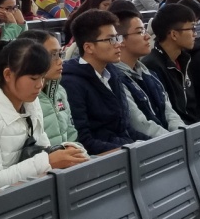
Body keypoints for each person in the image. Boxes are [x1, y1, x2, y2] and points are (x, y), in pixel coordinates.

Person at [0, 38, 87, 195]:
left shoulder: (30, 100)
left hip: (21, 187)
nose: (39, 85)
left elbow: (42, 146)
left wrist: (63, 150)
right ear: (8, 74)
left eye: (42, 77)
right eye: (33, 78)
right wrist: (48, 161)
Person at [61, 10, 148, 152]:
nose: (118, 44)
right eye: (110, 40)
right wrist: (129, 150)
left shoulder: (112, 73)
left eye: (117, 38)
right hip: (104, 158)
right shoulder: (71, 83)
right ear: (88, 47)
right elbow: (84, 141)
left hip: (125, 150)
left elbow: (125, 129)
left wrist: (151, 144)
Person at [114, 12, 185, 137]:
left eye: (145, 30)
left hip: (171, 140)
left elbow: (169, 112)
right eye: (140, 32)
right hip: (151, 144)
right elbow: (140, 125)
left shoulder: (149, 74)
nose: (147, 36)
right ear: (120, 40)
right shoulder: (115, 80)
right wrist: (175, 140)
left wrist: (183, 133)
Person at [18, 28, 82, 150]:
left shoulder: (59, 91)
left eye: (60, 54)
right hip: (44, 160)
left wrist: (76, 152)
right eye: (53, 55)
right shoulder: (23, 98)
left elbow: (71, 134)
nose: (60, 61)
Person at [141, 2, 199, 124]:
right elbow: (167, 114)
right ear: (174, 34)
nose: (195, 34)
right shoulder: (152, 66)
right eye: (192, 28)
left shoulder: (184, 59)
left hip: (192, 125)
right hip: (179, 129)